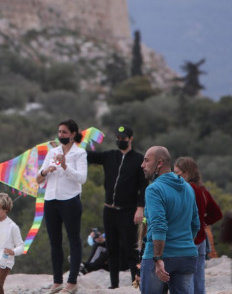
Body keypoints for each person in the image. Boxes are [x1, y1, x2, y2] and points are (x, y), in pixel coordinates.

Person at [87, 124, 148, 288]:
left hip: (127, 211)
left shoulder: (138, 160)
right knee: (111, 248)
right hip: (109, 210)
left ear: (131, 139)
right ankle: (114, 285)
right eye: (118, 138)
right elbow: (89, 156)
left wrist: (140, 208)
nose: (120, 141)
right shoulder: (110, 156)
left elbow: (144, 186)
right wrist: (75, 143)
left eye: (124, 138)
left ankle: (136, 283)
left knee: (131, 249)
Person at [36, 119, 88, 294]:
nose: (61, 136)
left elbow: (82, 178)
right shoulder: (52, 152)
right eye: (59, 132)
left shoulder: (79, 154)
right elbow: (38, 178)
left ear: (73, 134)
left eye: (64, 132)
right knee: (54, 242)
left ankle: (72, 281)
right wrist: (45, 171)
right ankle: (57, 280)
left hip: (70, 200)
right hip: (51, 199)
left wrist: (65, 166)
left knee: (73, 240)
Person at [140, 146, 200, 294]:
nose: (142, 165)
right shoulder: (188, 188)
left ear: (159, 163)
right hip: (187, 255)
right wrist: (183, 243)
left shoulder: (154, 189)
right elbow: (196, 224)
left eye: (147, 160)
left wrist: (158, 258)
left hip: (161, 257)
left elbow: (159, 225)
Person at [174, 156, 222, 294]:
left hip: (187, 241)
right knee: (198, 281)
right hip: (201, 240)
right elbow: (217, 214)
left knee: (185, 282)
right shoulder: (202, 190)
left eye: (177, 173)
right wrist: (203, 223)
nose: (174, 176)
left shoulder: (185, 190)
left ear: (187, 173)